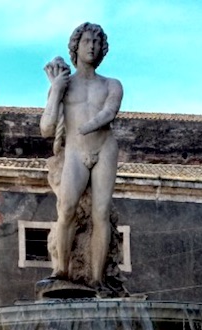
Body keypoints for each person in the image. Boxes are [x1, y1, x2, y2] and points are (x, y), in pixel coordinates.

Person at [40, 22, 123, 287]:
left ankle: (97, 279)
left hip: (104, 149)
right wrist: (55, 90)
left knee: (101, 212)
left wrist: (86, 127)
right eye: (87, 41)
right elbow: (46, 128)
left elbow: (109, 113)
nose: (93, 46)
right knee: (66, 209)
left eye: (97, 43)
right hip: (75, 152)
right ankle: (61, 271)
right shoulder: (65, 85)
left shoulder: (112, 84)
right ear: (76, 46)